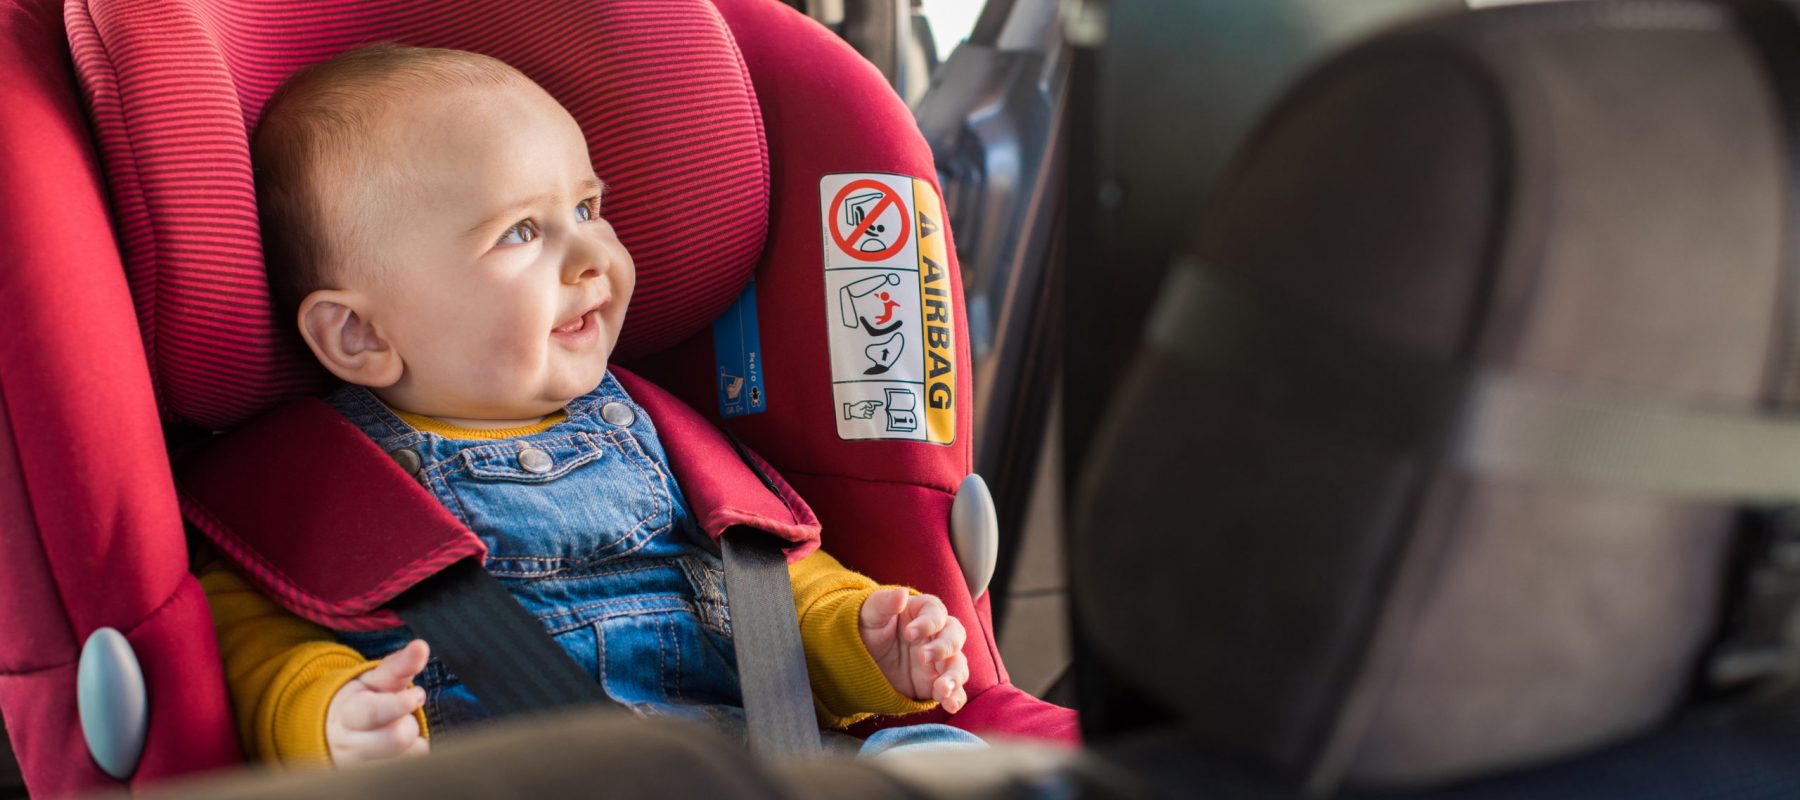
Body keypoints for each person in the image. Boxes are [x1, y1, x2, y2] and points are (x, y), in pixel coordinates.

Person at [197, 43, 979, 768]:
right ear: (360, 332)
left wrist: (867, 637)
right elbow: (255, 643)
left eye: (587, 208)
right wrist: (331, 713)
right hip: (515, 777)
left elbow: (777, 587)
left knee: (938, 757)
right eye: (521, 232)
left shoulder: (659, 432)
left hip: (744, 761)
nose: (590, 256)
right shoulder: (319, 487)